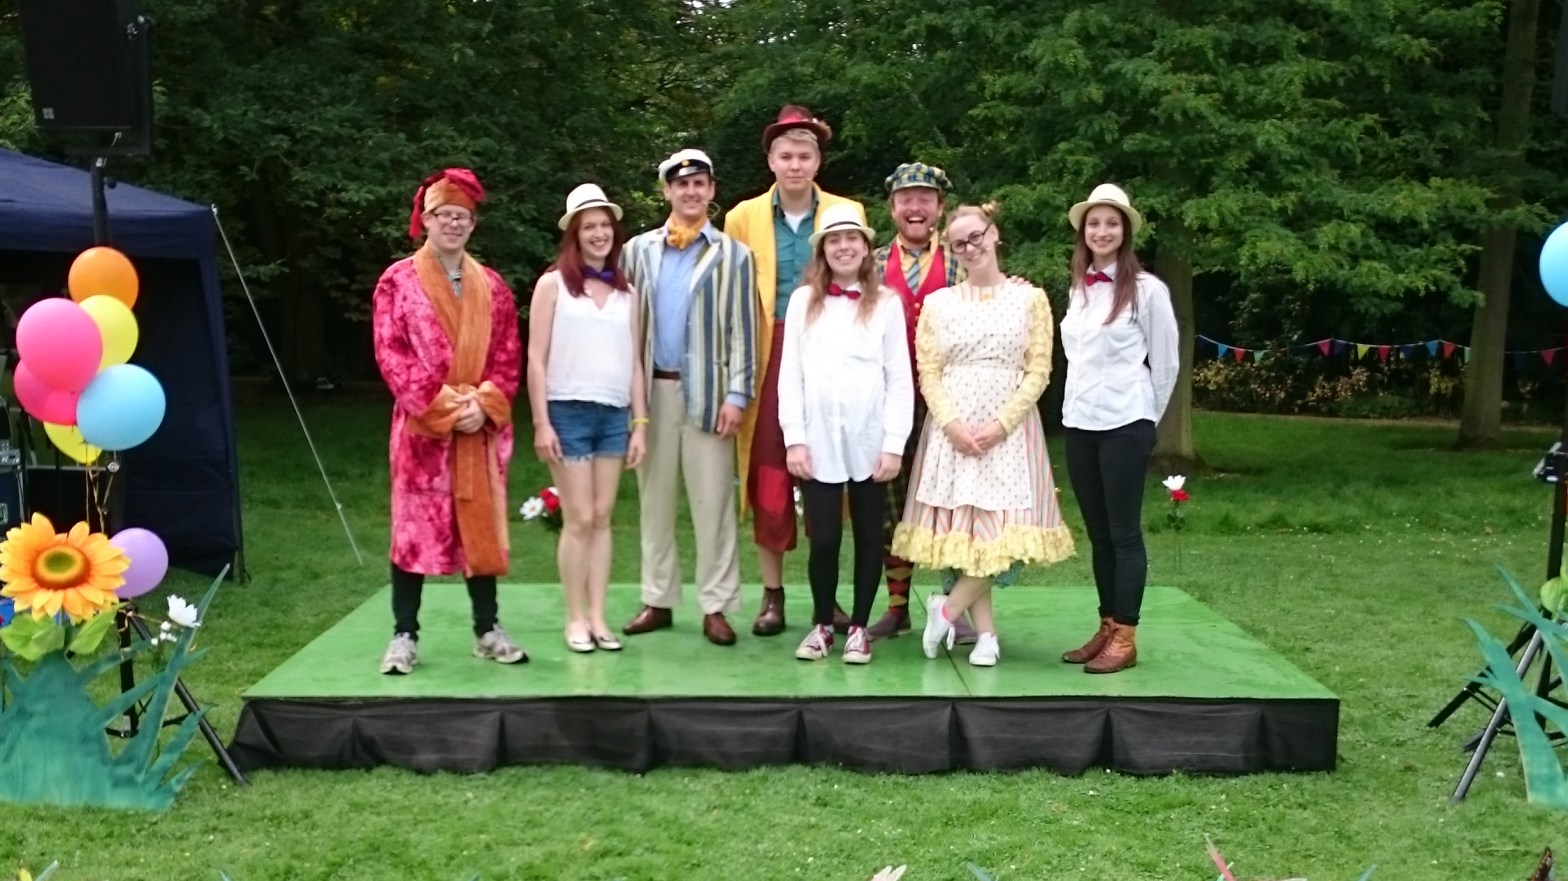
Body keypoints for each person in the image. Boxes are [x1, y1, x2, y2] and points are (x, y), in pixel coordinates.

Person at [891, 202, 1075, 667]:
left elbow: (1039, 370)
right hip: (952, 431)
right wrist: (952, 425)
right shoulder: (939, 304)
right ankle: (986, 635)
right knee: (969, 537)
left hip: (1009, 433)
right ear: (951, 250)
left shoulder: (1030, 299)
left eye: (976, 236)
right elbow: (929, 371)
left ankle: (947, 609)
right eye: (959, 243)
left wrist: (1001, 424)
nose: (971, 247)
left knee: (1007, 537)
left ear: (994, 235)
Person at [373, 167, 526, 675]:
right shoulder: (397, 281)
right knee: (413, 529)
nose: (454, 223)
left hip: (478, 429)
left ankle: (487, 628)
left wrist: (485, 405)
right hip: (424, 432)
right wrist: (444, 408)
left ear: (473, 224)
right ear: (426, 219)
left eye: (462, 216)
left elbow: (507, 354)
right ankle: (404, 634)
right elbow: (391, 353)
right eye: (444, 215)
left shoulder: (493, 287)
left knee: (478, 525)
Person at [724, 105, 869, 638]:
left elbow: (865, 285)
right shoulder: (742, 218)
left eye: (804, 156)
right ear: (770, 161)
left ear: (817, 161)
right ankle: (773, 593)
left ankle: (826, 596)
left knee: (832, 468)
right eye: (785, 156)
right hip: (770, 351)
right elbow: (734, 299)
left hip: (833, 349)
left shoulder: (845, 211)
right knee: (770, 470)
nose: (795, 165)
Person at [620, 149, 760, 647]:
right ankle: (657, 599)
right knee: (653, 500)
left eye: (700, 183)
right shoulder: (637, 251)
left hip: (710, 393)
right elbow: (622, 326)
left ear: (712, 190)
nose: (691, 191)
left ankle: (716, 605)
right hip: (651, 392)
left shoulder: (734, 255)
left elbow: (744, 329)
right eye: (682, 184)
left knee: (713, 502)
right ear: (667, 191)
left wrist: (738, 394)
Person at [777, 204, 914, 664]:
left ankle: (859, 627)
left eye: (851, 239)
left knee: (871, 536)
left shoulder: (886, 303)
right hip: (818, 441)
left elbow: (899, 378)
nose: (843, 247)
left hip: (869, 440)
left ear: (865, 247)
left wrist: (893, 444)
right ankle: (821, 624)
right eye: (834, 240)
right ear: (822, 251)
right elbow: (790, 375)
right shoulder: (803, 302)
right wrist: (794, 438)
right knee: (824, 539)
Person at [1058, 183, 1179, 674]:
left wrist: (1147, 421)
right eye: (1094, 223)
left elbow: (1166, 363)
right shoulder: (1078, 287)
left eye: (1112, 223)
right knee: (1099, 533)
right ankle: (1107, 625)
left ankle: (1126, 636)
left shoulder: (1148, 290)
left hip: (1126, 421)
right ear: (1083, 232)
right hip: (1080, 422)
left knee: (1124, 532)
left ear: (1125, 231)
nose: (1102, 231)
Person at [526, 183, 647, 653]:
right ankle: (574, 618)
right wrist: (542, 422)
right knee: (577, 518)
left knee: (601, 516)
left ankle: (598, 617)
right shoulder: (552, 285)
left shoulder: (626, 291)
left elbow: (634, 362)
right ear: (574, 235)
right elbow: (536, 359)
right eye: (588, 227)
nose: (598, 234)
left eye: (604, 226)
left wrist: (640, 424)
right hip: (567, 411)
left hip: (613, 414)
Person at [868, 162, 975, 644]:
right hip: (886, 405)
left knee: (954, 506)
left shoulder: (960, 262)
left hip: (949, 405)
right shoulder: (870, 264)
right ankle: (897, 607)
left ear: (939, 208)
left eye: (925, 199)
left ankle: (957, 608)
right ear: (892, 208)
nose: (915, 208)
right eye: (906, 199)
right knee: (890, 507)